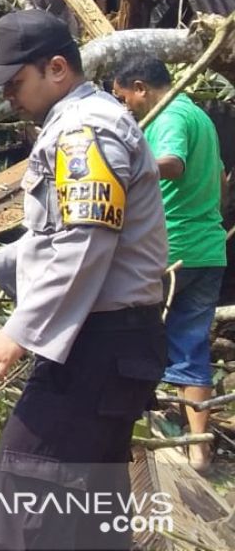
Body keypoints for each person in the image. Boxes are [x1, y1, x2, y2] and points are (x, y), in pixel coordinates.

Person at [0, 10, 168, 551]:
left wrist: (19, 330)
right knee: (87, 515)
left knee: (23, 509)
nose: (9, 97)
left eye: (15, 83)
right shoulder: (83, 124)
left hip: (96, 347)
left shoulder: (84, 130)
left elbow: (83, 243)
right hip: (111, 346)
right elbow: (61, 234)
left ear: (58, 68)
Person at [112, 55, 227, 472]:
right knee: (191, 345)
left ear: (141, 87)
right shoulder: (199, 115)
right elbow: (219, 180)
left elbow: (173, 163)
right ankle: (199, 450)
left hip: (169, 253)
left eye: (123, 97)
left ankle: (135, 439)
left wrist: (116, 168)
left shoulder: (172, 114)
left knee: (135, 339)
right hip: (207, 249)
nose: (124, 106)